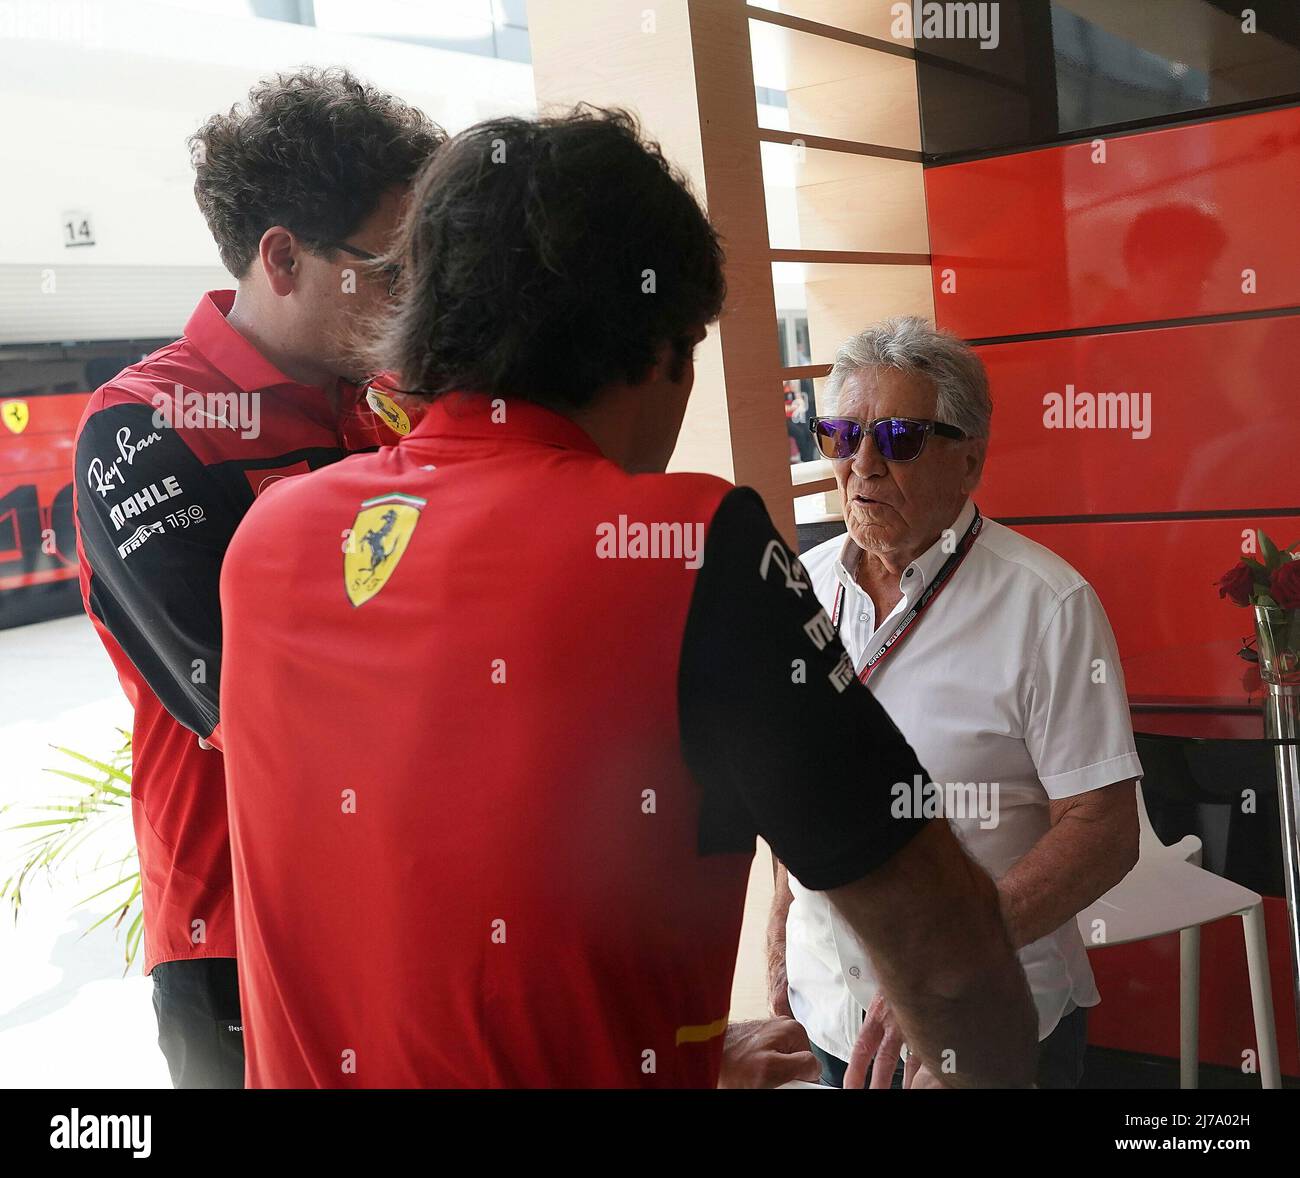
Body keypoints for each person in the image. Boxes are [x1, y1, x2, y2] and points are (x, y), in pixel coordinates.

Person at [218, 107, 1037, 1089]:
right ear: (666, 350)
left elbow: (409, 908)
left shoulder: (269, 540)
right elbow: (940, 950)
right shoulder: (691, 547)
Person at [73, 67, 443, 1088]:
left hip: (412, 904)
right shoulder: (142, 428)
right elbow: (245, 698)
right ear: (282, 256)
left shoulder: (396, 407)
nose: (417, 295)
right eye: (392, 266)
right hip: (235, 931)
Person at [769, 316, 1142, 1088]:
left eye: (899, 438)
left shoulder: (1047, 605)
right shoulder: (795, 588)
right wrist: (777, 945)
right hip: (826, 1017)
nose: (862, 465)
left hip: (985, 1029)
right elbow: (797, 782)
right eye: (840, 434)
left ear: (969, 459)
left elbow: (1104, 831)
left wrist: (945, 969)